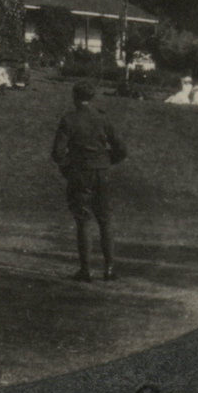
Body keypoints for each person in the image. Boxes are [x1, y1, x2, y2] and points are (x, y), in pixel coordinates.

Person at [51, 81, 127, 282]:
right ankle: (109, 269)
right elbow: (121, 149)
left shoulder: (69, 119)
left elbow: (57, 153)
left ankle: (85, 270)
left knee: (83, 221)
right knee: (105, 220)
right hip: (102, 172)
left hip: (80, 173)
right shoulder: (103, 118)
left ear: (74, 97)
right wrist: (105, 161)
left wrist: (69, 167)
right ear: (92, 98)